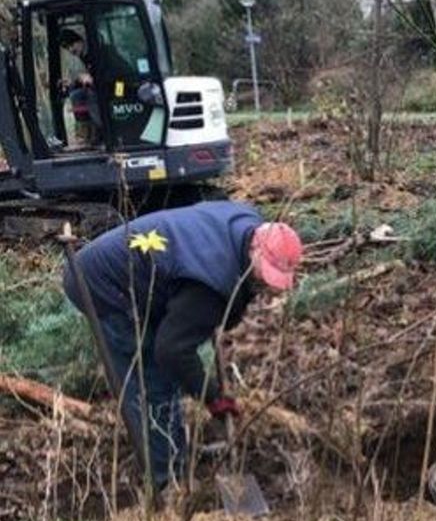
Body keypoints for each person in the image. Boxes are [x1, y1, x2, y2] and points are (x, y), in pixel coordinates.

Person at [62, 201, 303, 492]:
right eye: (263, 274)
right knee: (152, 381)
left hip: (148, 277)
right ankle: (169, 480)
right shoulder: (210, 284)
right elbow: (172, 350)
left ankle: (176, 451)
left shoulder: (248, 223)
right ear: (254, 248)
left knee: (165, 369)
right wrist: (211, 395)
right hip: (101, 284)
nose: (265, 285)